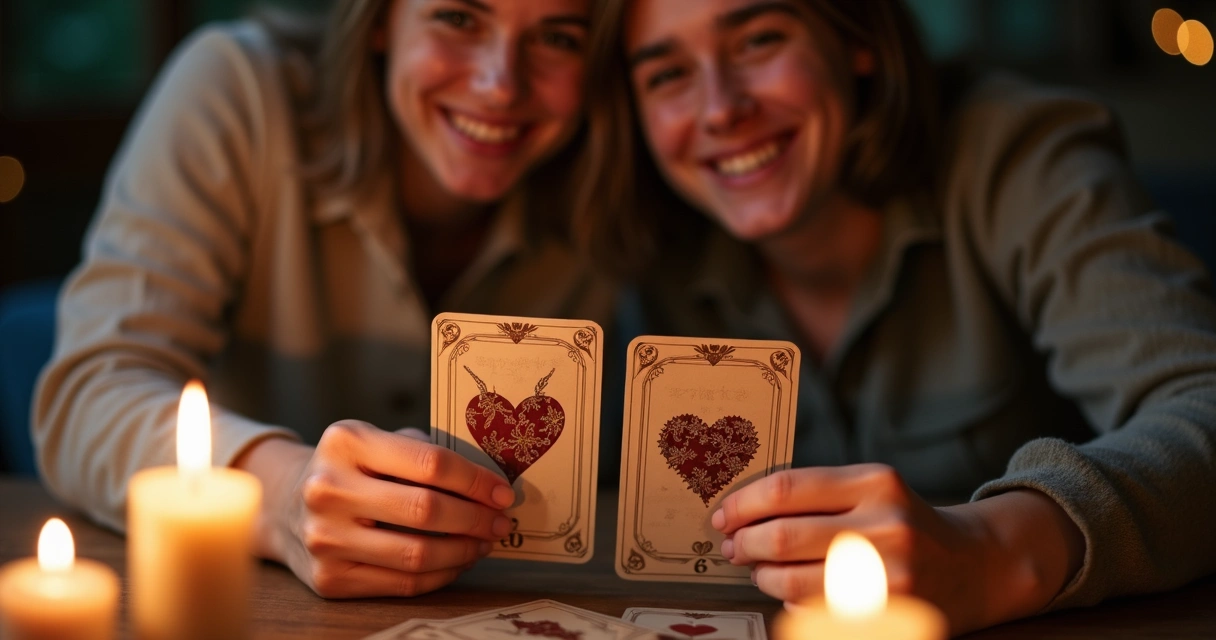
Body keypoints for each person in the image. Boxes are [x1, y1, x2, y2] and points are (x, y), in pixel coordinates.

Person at [573, 0, 1216, 634]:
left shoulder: (1016, 152)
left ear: (859, 39)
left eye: (759, 40)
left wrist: (994, 550)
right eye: (667, 75)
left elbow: (1202, 402)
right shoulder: (642, 243)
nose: (721, 108)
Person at [34, 0, 614, 599]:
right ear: (381, 19)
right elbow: (85, 399)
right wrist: (282, 493)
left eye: (557, 38)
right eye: (459, 19)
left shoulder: (619, 172)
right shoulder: (239, 88)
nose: (500, 86)